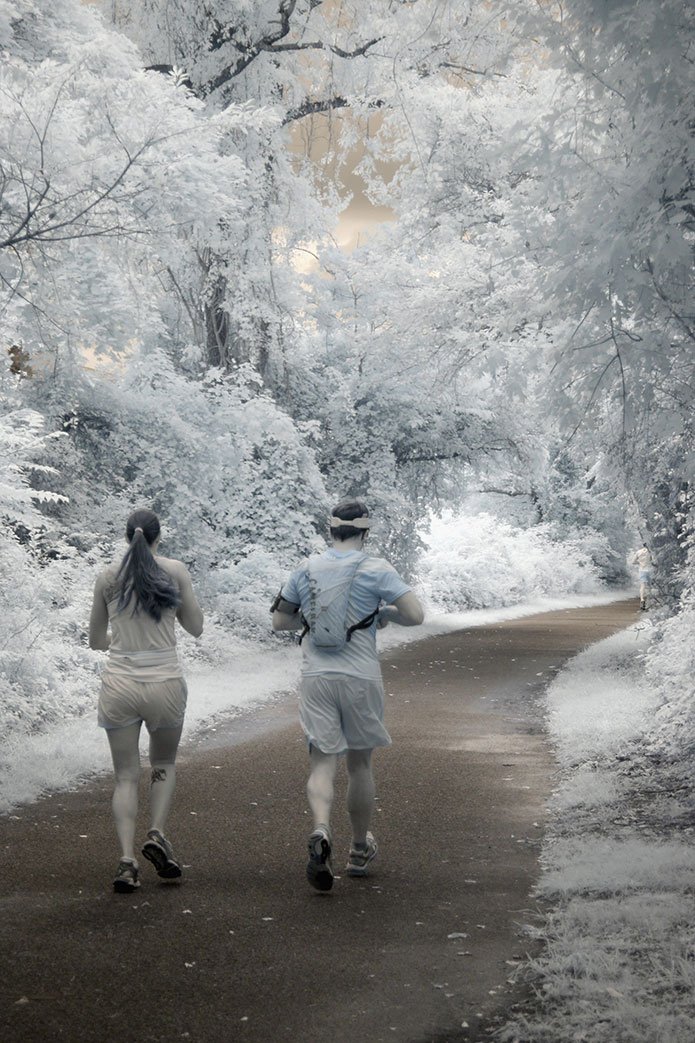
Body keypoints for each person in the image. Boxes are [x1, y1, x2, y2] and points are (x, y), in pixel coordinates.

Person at [272, 499, 424, 892]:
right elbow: (416, 615)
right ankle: (358, 850)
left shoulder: (305, 569)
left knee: (322, 762)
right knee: (360, 765)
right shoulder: (376, 568)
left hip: (317, 676)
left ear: (331, 530)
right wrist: (384, 614)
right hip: (360, 677)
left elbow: (279, 621)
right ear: (365, 531)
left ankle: (321, 829)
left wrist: (311, 620)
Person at [89, 508, 204, 893]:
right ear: (158, 537)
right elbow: (197, 627)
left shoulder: (107, 576)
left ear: (127, 537)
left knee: (124, 776)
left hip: (120, 684)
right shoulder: (174, 571)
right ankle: (156, 833)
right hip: (165, 685)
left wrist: (123, 645)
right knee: (164, 764)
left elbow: (95, 640)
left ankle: (126, 862)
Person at [631, 542, 654, 610]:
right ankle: (649, 600)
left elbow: (633, 562)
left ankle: (642, 600)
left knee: (642, 585)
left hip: (642, 570)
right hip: (649, 570)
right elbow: (653, 561)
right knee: (650, 585)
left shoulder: (639, 552)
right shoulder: (650, 552)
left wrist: (639, 562)